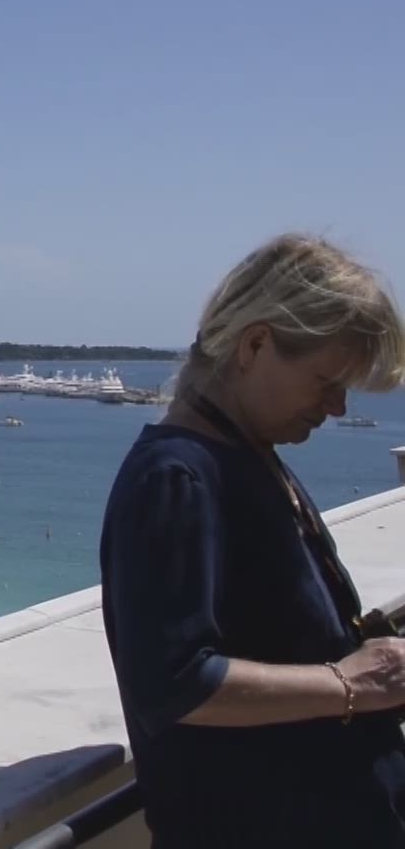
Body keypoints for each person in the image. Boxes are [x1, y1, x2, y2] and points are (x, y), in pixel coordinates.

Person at [99, 233, 405, 847]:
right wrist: (351, 684)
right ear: (255, 344)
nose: (338, 407)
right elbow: (173, 682)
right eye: (326, 381)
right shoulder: (175, 478)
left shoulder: (244, 455)